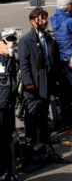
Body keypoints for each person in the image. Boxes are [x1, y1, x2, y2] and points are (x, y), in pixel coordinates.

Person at [19, 8, 61, 145]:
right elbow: (24, 64)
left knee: (43, 111)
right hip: (34, 83)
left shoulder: (49, 38)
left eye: (46, 18)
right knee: (31, 112)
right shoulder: (26, 40)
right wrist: (28, 82)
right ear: (33, 22)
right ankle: (30, 139)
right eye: (41, 19)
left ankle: (43, 137)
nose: (45, 21)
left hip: (47, 81)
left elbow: (54, 59)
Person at [49, 0, 72, 128]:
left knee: (65, 91)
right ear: (69, 6)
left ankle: (67, 118)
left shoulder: (54, 19)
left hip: (62, 58)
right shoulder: (69, 21)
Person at [0, 32, 17, 178]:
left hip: (8, 105)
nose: (9, 45)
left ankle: (6, 170)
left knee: (7, 139)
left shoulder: (11, 59)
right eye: (6, 42)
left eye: (12, 42)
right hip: (0, 105)